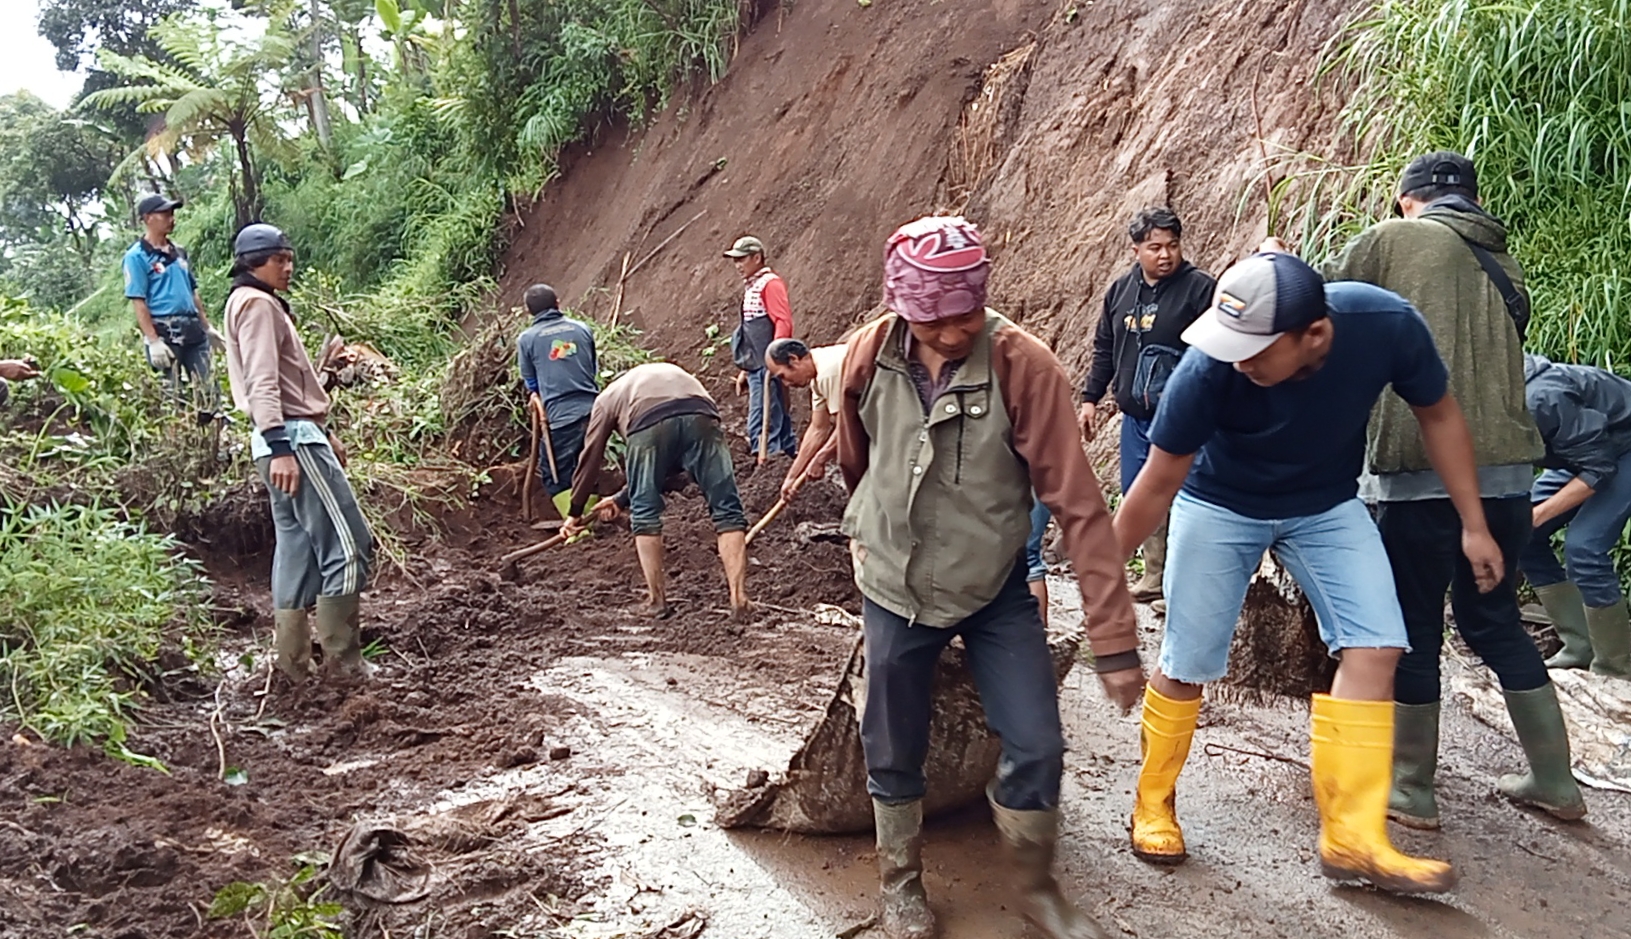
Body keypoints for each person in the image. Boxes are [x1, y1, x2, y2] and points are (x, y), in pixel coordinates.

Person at [1114, 251, 1499, 894]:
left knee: (1378, 644)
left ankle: (1353, 835)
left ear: (1313, 335)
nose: (1239, 359)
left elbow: (1439, 414)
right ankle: (1154, 801)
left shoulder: (1386, 326)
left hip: (1325, 506)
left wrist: (1475, 523)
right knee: (1188, 659)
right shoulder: (1209, 369)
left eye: (1257, 349)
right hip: (1219, 505)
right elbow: (1157, 484)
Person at [837, 215, 1143, 939]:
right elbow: (857, 457)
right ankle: (900, 882)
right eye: (935, 319)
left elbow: (1078, 503)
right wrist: (871, 535)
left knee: (1037, 739)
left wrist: (1114, 634)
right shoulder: (866, 355)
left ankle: (1038, 887)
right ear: (904, 308)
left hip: (992, 586)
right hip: (894, 587)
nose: (953, 331)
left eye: (967, 312)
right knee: (892, 738)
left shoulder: (1020, 364)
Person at [1312, 150, 1584, 828]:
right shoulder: (1501, 259)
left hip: (1420, 471)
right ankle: (1555, 780)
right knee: (1493, 623)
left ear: (1407, 198)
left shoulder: (1392, 239)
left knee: (1411, 625)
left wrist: (1274, 259)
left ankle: (1411, 789)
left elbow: (1312, 308)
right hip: (1508, 476)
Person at [223, 223, 374, 682]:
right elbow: (263, 382)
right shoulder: (257, 305)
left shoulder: (245, 302)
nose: (287, 267)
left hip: (285, 438)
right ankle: (344, 664)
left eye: (289, 258)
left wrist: (321, 432)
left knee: (296, 549)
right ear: (253, 263)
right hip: (288, 440)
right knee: (349, 545)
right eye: (277, 260)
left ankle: (292, 666)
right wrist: (284, 444)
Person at [1078, 207, 1214, 603]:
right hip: (1135, 417)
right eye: (1154, 247)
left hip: (1184, 416)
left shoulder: (1200, 290)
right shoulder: (1121, 292)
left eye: (1172, 245)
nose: (1165, 254)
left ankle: (1186, 581)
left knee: (1187, 494)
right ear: (1135, 249)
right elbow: (1105, 347)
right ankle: (1154, 575)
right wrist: (1090, 398)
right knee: (1137, 489)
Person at [561, 362, 750, 618]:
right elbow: (672, 468)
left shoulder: (606, 399)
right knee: (727, 510)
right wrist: (619, 499)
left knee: (645, 514)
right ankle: (739, 599)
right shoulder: (667, 372)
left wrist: (574, 511)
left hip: (648, 420)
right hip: (703, 413)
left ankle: (656, 600)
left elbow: (590, 457)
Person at [1520, 353, 1631, 678]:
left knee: (1584, 547)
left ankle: (1615, 669)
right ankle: (1579, 645)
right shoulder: (1481, 398)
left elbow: (1599, 468)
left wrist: (1537, 515)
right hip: (1586, 452)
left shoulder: (1540, 397)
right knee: (1523, 536)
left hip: (1621, 448)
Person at [123, 193, 223, 408]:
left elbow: (192, 291)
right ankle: (180, 436)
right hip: (164, 330)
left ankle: (216, 429)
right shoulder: (137, 256)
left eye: (172, 214)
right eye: (165, 214)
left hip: (192, 327)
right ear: (148, 218)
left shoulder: (179, 252)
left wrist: (207, 327)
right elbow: (138, 301)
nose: (171, 219)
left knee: (208, 386)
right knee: (173, 392)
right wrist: (153, 340)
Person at [515, 283, 599, 518]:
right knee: (588, 467)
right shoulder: (582, 328)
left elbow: (531, 381)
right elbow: (592, 367)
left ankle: (580, 526)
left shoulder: (527, 339)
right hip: (596, 411)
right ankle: (589, 515)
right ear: (557, 303)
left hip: (562, 417)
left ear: (529, 312)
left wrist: (536, 395)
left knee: (554, 475)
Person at [724, 236, 796, 461]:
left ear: (757, 258)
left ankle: (768, 460)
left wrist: (774, 359)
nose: (738, 265)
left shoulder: (769, 284)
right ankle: (786, 456)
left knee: (762, 417)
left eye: (742, 259)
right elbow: (752, 331)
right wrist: (746, 368)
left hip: (767, 364)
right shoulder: (753, 286)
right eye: (735, 261)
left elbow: (783, 322)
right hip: (758, 364)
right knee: (775, 414)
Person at [764, 337, 844, 499]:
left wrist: (820, 458)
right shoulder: (818, 378)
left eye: (783, 376)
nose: (786, 384)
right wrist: (792, 477)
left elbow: (847, 425)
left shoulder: (828, 371)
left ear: (794, 360)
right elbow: (818, 429)